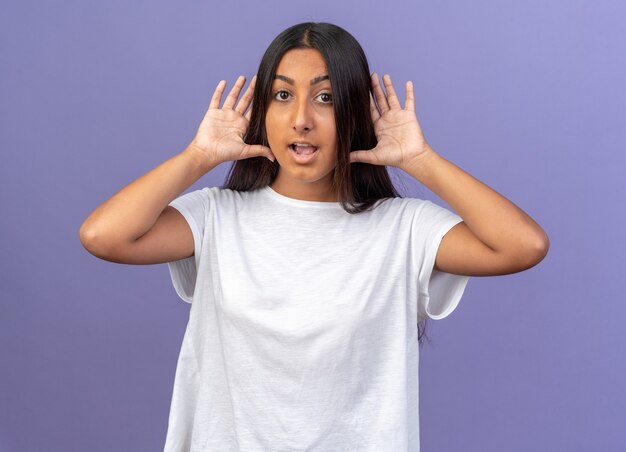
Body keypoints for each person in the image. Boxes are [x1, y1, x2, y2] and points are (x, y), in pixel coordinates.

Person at [79, 22, 549, 452]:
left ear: (353, 113)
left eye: (324, 98)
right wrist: (199, 156)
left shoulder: (403, 228)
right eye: (282, 96)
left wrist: (418, 160)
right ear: (262, 111)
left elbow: (522, 245)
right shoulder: (216, 219)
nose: (301, 118)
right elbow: (103, 235)